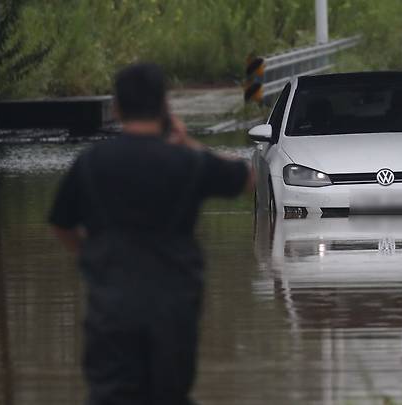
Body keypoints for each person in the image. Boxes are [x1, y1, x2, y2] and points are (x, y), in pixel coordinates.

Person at [49, 63, 253, 405]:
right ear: (164, 106)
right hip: (173, 310)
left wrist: (90, 255)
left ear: (115, 107)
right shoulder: (187, 162)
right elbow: (246, 178)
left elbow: (61, 223)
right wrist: (187, 141)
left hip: (112, 309)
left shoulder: (90, 162)